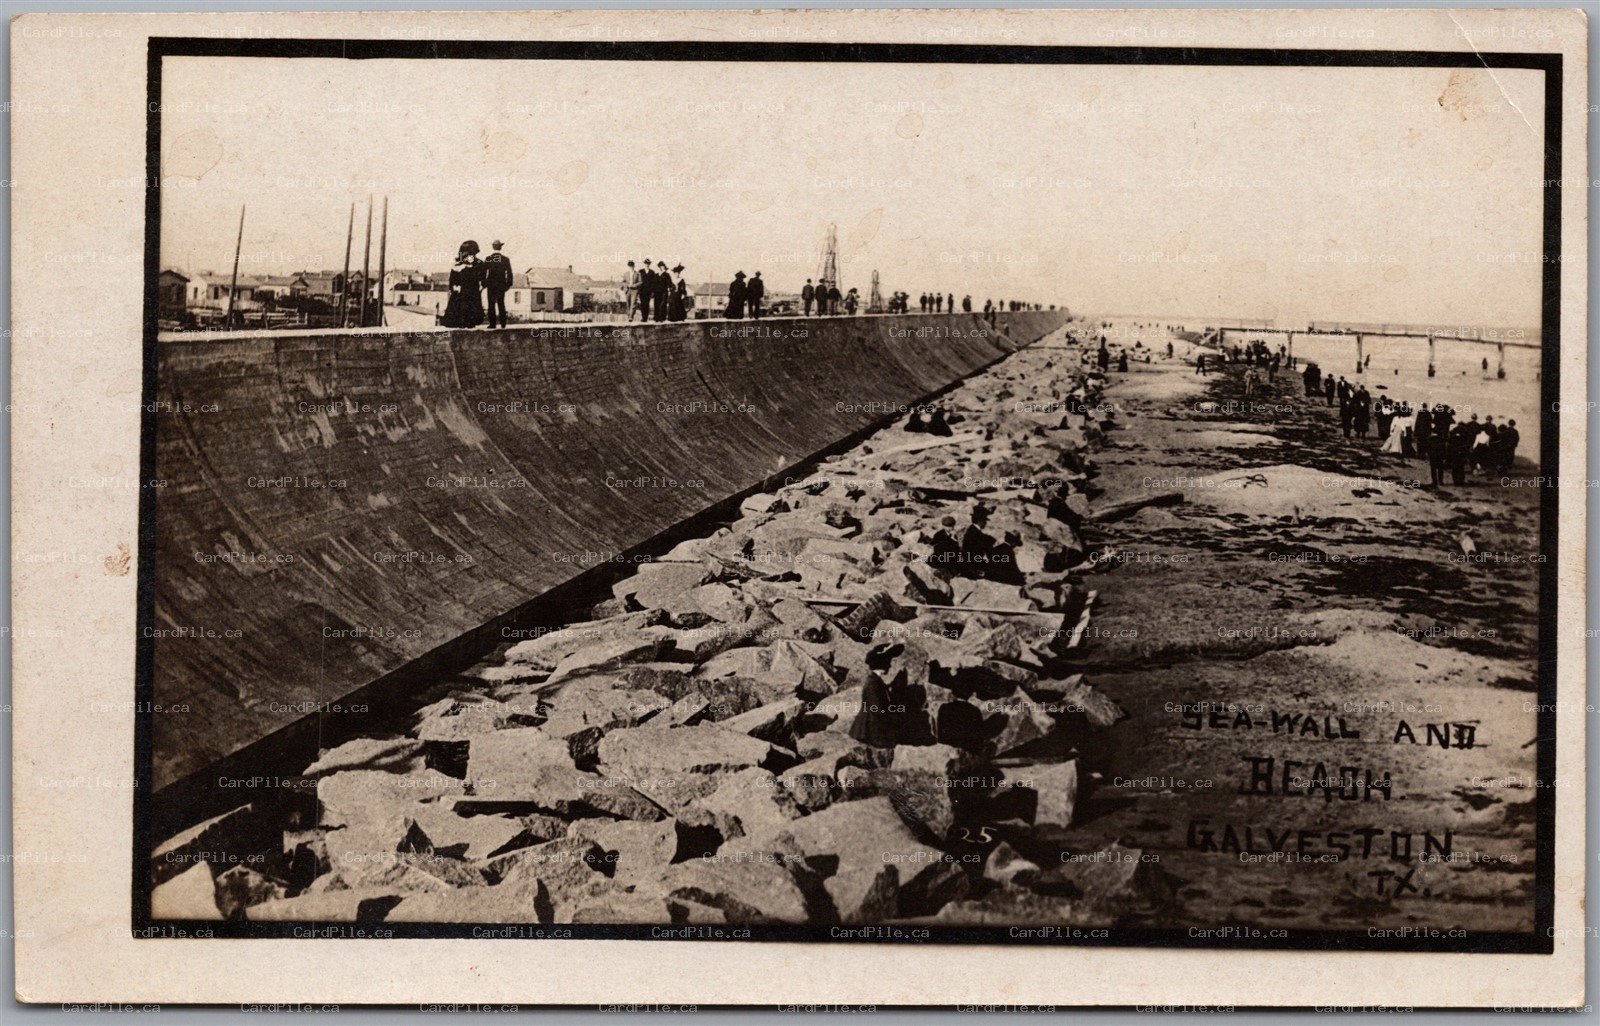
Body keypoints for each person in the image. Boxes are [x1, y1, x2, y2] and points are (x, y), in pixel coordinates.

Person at [441, 240, 485, 328]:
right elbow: (452, 279)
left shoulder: (478, 264)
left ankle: (469, 323)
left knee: (470, 313)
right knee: (459, 310)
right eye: (468, 253)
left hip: (472, 291)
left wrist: (481, 286)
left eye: (472, 254)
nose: (471, 256)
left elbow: (482, 277)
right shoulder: (458, 265)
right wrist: (454, 286)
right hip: (460, 292)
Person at [482, 239, 513, 329]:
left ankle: (492, 324)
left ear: (493, 247)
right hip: (501, 285)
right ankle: (503, 323)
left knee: (491, 304)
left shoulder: (488, 259)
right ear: (500, 247)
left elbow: (483, 273)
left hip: (491, 285)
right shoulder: (505, 259)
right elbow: (509, 273)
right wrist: (508, 284)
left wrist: (484, 284)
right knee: (501, 303)